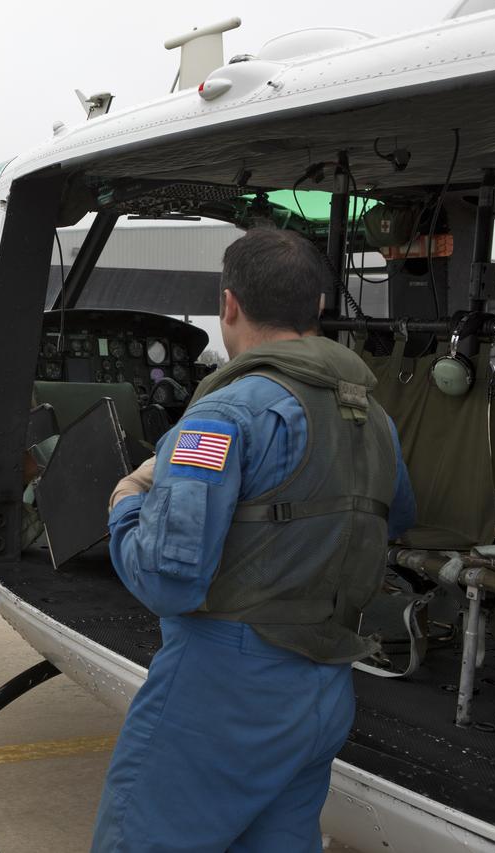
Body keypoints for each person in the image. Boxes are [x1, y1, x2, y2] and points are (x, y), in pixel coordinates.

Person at [91, 227, 417, 853]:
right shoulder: (372, 417)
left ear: (230, 305)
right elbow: (391, 518)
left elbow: (168, 578)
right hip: (323, 685)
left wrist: (125, 506)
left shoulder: (223, 414)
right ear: (318, 308)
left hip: (224, 691)